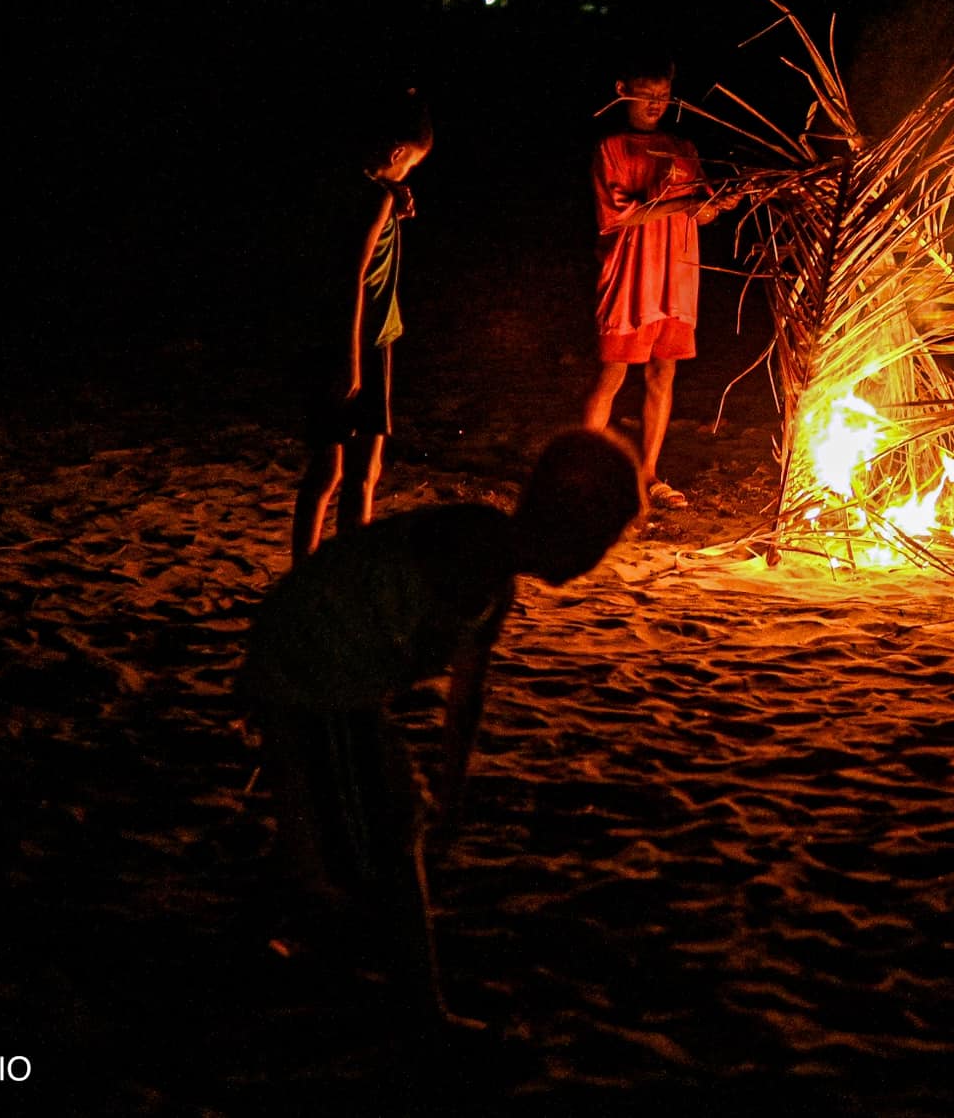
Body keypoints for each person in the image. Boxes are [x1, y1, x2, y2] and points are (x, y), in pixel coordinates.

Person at [242, 428, 644, 1021]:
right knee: (385, 836)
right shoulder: (477, 550)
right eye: (604, 541)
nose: (596, 561)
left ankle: (281, 932)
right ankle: (419, 1013)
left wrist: (452, 790)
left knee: (357, 819)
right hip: (311, 670)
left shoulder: (495, 574)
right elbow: (377, 614)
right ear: (574, 530)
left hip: (322, 671)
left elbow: (467, 694)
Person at [290, 93, 432, 565]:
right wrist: (350, 362)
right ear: (396, 154)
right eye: (411, 164)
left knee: (342, 469)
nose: (410, 174)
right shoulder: (372, 198)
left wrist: (395, 201)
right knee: (347, 472)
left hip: (353, 339)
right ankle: (331, 575)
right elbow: (352, 274)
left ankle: (315, 574)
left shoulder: (348, 187)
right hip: (356, 344)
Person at [580, 57, 724, 511]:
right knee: (614, 373)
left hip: (676, 276)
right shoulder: (612, 146)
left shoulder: (682, 145)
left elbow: (702, 210)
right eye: (647, 95)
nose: (655, 104)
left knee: (664, 373)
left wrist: (717, 203)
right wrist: (675, 201)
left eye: (663, 96)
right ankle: (578, 474)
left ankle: (648, 475)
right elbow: (620, 213)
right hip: (631, 277)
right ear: (623, 90)